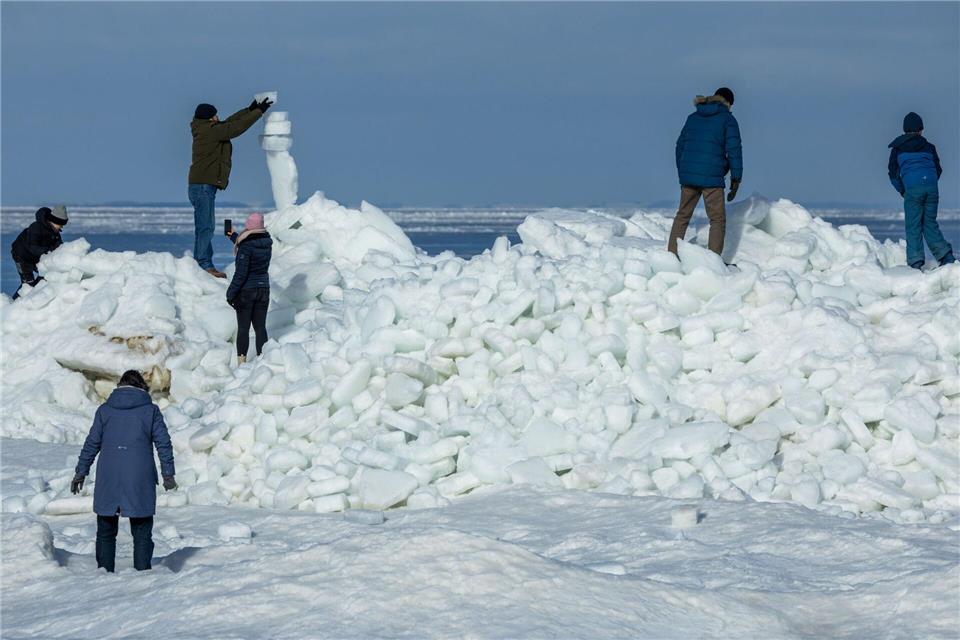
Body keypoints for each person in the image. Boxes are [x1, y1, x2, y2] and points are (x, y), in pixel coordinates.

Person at [71, 370, 176, 573]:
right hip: (140, 477)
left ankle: (104, 573)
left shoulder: (105, 411)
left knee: (106, 530)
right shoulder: (151, 411)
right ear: (141, 388)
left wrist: (81, 471)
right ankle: (143, 573)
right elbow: (164, 444)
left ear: (120, 386)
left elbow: (92, 443)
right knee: (142, 529)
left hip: (108, 476)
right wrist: (168, 473)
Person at [189, 97, 272, 278]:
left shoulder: (206, 128)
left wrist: (249, 109)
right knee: (206, 227)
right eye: (215, 115)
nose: (218, 117)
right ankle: (203, 264)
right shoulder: (210, 132)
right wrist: (259, 112)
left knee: (203, 227)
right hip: (203, 186)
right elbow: (234, 128)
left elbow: (229, 123)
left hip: (201, 185)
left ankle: (202, 262)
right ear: (210, 118)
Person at [668, 87, 743, 257]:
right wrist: (736, 179)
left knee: (682, 216)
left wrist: (684, 172)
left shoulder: (693, 117)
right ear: (729, 103)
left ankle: (671, 256)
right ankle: (713, 261)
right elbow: (734, 151)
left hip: (689, 178)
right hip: (712, 179)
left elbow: (679, 146)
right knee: (717, 220)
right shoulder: (728, 120)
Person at [888, 112, 955, 269]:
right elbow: (938, 169)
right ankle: (946, 257)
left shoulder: (897, 149)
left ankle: (916, 262)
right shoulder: (929, 147)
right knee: (930, 223)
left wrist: (903, 190)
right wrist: (929, 184)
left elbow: (893, 174)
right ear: (920, 129)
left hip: (912, 190)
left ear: (905, 129)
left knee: (913, 226)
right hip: (931, 188)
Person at [226, 212, 272, 364]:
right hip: (263, 289)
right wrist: (233, 236)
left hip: (247, 291)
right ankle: (262, 360)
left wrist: (230, 294)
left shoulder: (246, 246)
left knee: (244, 328)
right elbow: (251, 241)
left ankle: (241, 364)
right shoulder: (267, 242)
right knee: (260, 328)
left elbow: (241, 274)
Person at [9, 205, 68, 299]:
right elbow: (32, 247)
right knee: (28, 283)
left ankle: (36, 295)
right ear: (54, 220)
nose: (61, 227)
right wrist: (48, 250)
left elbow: (59, 247)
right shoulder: (36, 227)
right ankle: (14, 303)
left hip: (36, 257)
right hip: (21, 256)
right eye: (60, 224)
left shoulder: (55, 233)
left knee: (46, 275)